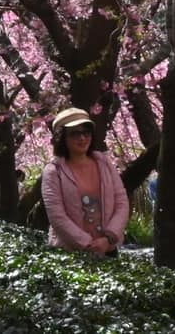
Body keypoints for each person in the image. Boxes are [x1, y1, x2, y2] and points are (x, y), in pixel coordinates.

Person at [40, 107, 128, 256]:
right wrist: (87, 243)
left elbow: (121, 202)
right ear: (62, 138)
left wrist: (108, 238)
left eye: (86, 133)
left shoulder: (104, 164)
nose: (82, 138)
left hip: (108, 248)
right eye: (75, 134)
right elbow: (57, 216)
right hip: (70, 253)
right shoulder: (54, 172)